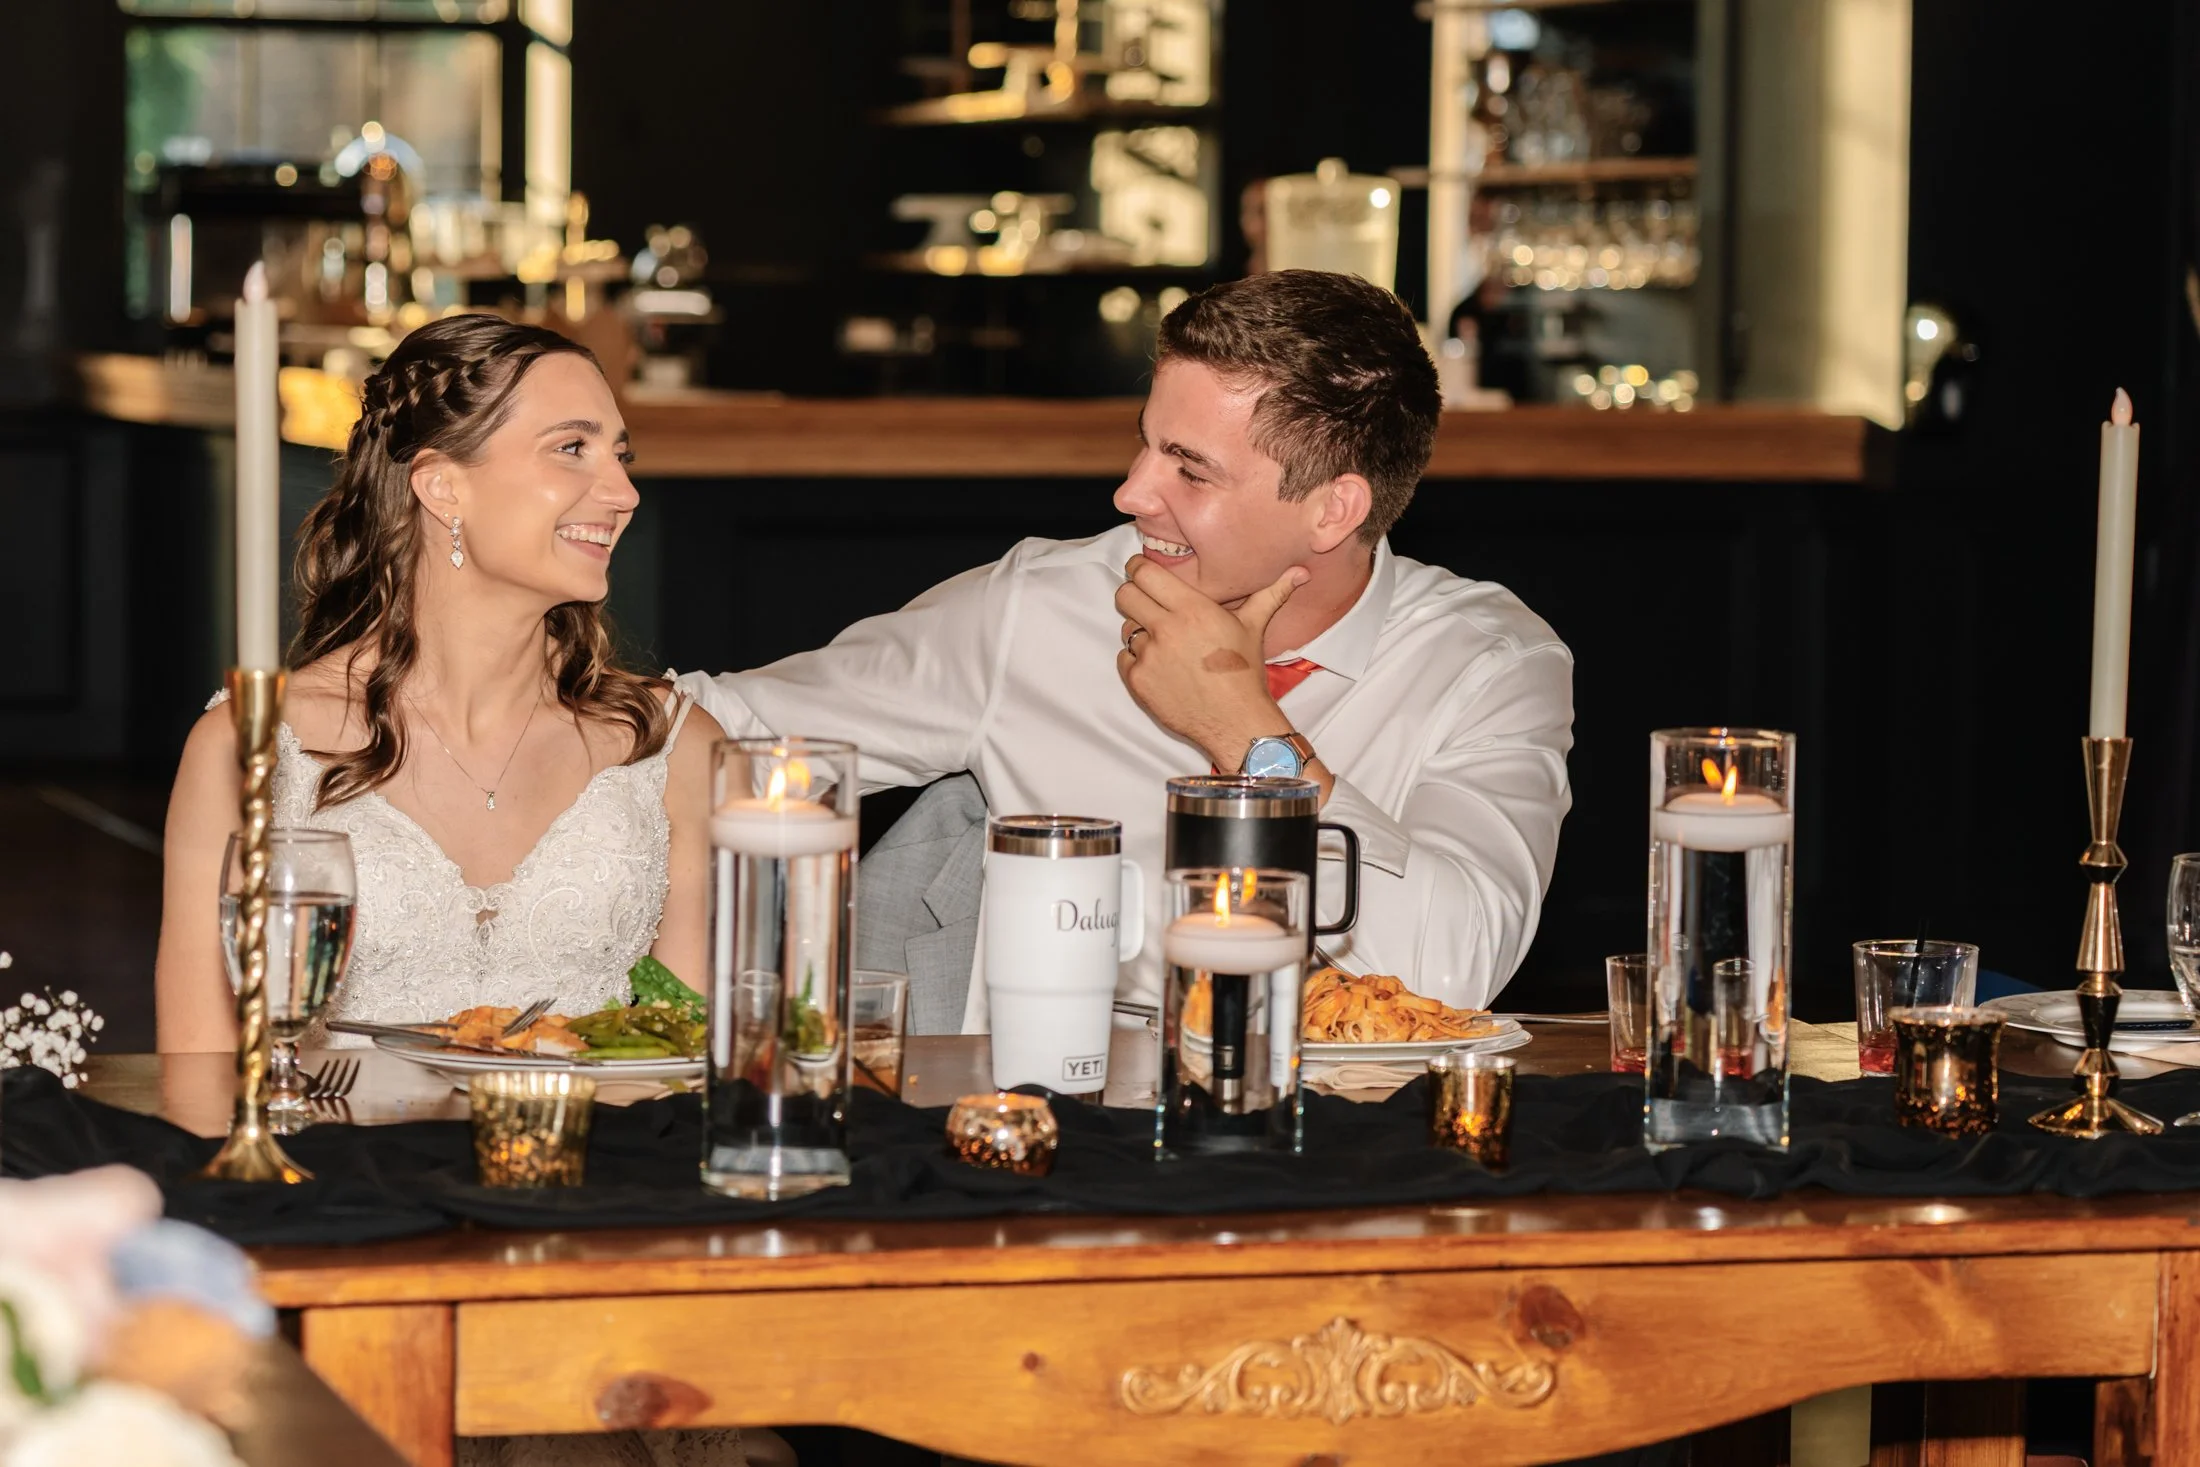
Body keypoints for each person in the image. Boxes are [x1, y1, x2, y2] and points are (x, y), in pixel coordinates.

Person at [152, 315, 747, 1466]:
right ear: (440, 486)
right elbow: (199, 1086)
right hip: (348, 1249)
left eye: (621, 452)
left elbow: (687, 1061)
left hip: (607, 1260)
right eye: (572, 448)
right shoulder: (254, 749)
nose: (618, 489)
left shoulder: (670, 747)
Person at [684, 269, 1575, 1018]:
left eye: (1190, 469)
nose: (1131, 493)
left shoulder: (1487, 665)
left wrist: (1245, 733)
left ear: (1332, 509)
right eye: (1145, 445)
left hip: (1341, 1156)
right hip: (1038, 1145)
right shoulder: (1035, 609)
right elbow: (718, 725)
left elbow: (1452, 972)